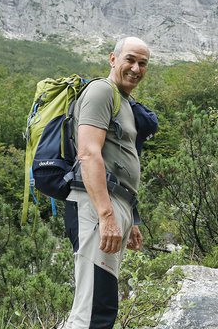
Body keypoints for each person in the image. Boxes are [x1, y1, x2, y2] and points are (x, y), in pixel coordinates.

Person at [64, 36, 151, 329]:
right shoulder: (102, 91)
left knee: (102, 304)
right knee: (93, 309)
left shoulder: (123, 101)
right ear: (113, 59)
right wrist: (106, 216)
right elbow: (88, 154)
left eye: (143, 63)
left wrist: (131, 219)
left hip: (115, 205)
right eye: (130, 59)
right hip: (96, 207)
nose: (136, 68)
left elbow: (118, 159)